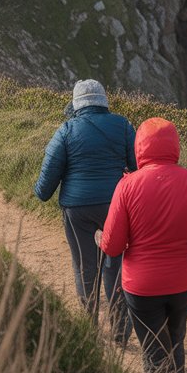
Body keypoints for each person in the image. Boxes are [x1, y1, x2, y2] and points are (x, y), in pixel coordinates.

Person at [100, 117, 187, 373]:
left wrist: (99, 238)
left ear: (140, 148)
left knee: (154, 352)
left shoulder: (127, 186)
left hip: (142, 288)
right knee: (175, 341)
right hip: (184, 285)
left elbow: (113, 245)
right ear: (175, 146)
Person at [34, 79, 136, 342]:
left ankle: (90, 330)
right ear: (103, 100)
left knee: (84, 266)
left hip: (77, 208)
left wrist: (40, 191)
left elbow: (46, 183)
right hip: (115, 204)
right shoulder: (123, 126)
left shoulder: (66, 130)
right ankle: (121, 331)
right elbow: (139, 166)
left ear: (77, 103)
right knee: (115, 264)